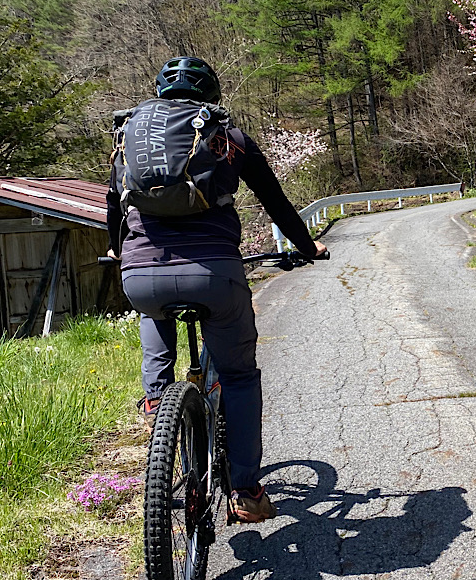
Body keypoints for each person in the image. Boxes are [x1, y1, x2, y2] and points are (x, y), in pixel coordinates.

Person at [106, 56, 326, 524]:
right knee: (240, 376)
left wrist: (116, 253)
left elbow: (114, 206)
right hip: (215, 273)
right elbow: (277, 204)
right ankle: (246, 491)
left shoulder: (130, 137)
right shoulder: (229, 139)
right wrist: (307, 247)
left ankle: (157, 401)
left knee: (153, 311)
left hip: (140, 272)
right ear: (212, 95)